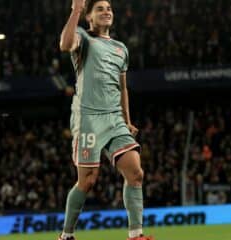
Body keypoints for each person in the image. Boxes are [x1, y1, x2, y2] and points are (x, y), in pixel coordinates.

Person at [58, 0, 154, 239]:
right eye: (99, 9)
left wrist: (127, 120)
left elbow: (123, 89)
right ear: (89, 17)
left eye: (109, 8)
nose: (106, 11)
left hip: (115, 119)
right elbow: (64, 44)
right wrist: (76, 10)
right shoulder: (83, 38)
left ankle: (136, 234)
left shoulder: (121, 49)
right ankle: (67, 235)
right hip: (88, 118)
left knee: (136, 173)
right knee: (87, 181)